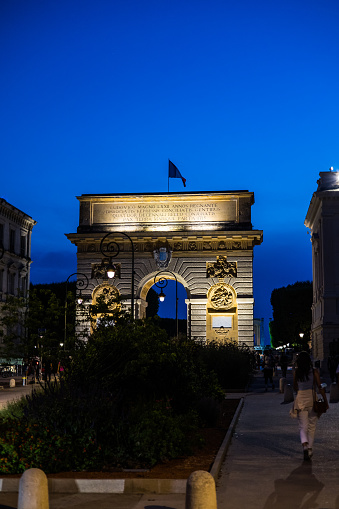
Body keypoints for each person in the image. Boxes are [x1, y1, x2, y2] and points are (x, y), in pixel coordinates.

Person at [293, 351, 329, 461]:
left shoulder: (296, 372)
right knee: (312, 425)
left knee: (302, 425)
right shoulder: (314, 372)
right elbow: (320, 387)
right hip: (311, 399)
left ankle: (304, 445)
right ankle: (309, 448)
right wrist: (325, 400)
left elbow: (295, 387)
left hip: (300, 399)